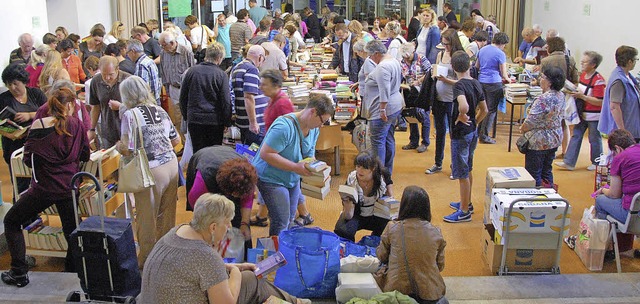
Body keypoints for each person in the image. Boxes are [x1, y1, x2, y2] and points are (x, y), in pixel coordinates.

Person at [140, 193, 309, 304]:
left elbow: (193, 270)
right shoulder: (205, 255)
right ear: (213, 227)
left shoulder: (175, 232)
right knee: (250, 279)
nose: (229, 228)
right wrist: (236, 273)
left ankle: (295, 302)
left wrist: (234, 266)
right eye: (227, 223)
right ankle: (296, 302)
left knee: (248, 276)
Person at [1, 87, 90, 287]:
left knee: (12, 221)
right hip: (69, 186)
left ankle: (18, 272)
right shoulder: (77, 125)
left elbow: (27, 158)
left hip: (43, 188)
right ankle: (73, 273)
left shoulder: (39, 124)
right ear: (70, 105)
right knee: (72, 231)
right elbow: (85, 154)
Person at [116, 76, 180, 267]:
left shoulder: (130, 115)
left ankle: (147, 262)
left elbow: (128, 148)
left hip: (150, 170)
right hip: (171, 165)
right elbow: (176, 140)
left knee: (147, 219)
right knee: (167, 216)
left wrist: (119, 146)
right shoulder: (160, 110)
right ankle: (166, 255)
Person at [252, 94, 334, 237]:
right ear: (313, 112)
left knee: (289, 218)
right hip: (270, 178)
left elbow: (309, 155)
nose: (322, 125)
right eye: (322, 121)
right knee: (281, 220)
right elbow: (266, 154)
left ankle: (284, 251)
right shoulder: (284, 127)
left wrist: (319, 167)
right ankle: (275, 255)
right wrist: (295, 167)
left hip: (291, 177)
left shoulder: (313, 129)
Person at [376, 186, 446, 304]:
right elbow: (440, 265)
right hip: (430, 294)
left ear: (403, 206)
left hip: (396, 292)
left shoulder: (392, 227)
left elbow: (381, 256)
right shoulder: (436, 232)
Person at [444, 51, 488, 223]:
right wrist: (474, 122)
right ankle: (466, 202)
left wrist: (461, 116)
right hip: (472, 132)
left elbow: (463, 105)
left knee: (461, 173)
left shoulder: (459, 86)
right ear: (469, 65)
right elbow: (484, 109)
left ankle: (464, 211)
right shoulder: (476, 83)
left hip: (461, 134)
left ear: (453, 68)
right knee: (468, 167)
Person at [0, 63, 48, 199]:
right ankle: (22, 216)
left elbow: (49, 112)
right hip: (13, 145)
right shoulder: (3, 99)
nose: (12, 88)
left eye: (15, 84)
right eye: (9, 85)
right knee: (20, 183)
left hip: (37, 144)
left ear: (23, 81)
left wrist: (30, 115)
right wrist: (8, 133)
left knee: (38, 181)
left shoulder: (35, 94)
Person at [555, 51, 605, 171]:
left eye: (585, 62)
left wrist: (582, 96)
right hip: (581, 112)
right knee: (576, 135)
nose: (581, 64)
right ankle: (569, 162)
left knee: (594, 138)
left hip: (594, 116)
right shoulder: (583, 75)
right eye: (581, 62)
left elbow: (600, 101)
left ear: (593, 64)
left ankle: (597, 162)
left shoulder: (598, 80)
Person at [180, 43, 232, 153]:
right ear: (219, 58)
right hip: (214, 121)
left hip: (194, 119)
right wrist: (227, 121)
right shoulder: (221, 75)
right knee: (213, 153)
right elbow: (226, 101)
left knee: (198, 152)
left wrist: (186, 116)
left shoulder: (191, 71)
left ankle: (198, 170)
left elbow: (183, 97)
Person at [425, 29, 463, 175]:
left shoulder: (459, 56)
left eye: (447, 44)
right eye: (444, 43)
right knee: (440, 132)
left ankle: (455, 166)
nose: (445, 46)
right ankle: (438, 162)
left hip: (453, 100)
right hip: (439, 99)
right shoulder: (440, 54)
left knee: (454, 134)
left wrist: (446, 80)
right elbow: (434, 70)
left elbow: (462, 81)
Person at [520, 66, 566, 187]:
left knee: (533, 174)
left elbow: (531, 121)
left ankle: (535, 201)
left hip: (539, 141)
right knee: (547, 171)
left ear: (550, 82)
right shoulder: (561, 95)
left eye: (543, 77)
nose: (540, 79)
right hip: (554, 138)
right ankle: (549, 195)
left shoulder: (543, 99)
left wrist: (522, 129)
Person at [364, 40, 403, 175]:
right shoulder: (393, 60)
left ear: (376, 53)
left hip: (384, 109)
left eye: (370, 55)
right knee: (388, 138)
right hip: (395, 105)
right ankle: (387, 172)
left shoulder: (383, 67)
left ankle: (378, 175)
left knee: (377, 143)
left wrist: (382, 109)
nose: (369, 58)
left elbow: (384, 89)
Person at [335, 151, 394, 241]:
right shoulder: (352, 179)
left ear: (373, 168)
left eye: (364, 168)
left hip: (377, 213)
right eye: (358, 166)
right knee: (342, 230)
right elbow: (348, 214)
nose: (360, 171)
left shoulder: (383, 175)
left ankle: (376, 241)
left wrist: (389, 195)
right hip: (357, 214)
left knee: (391, 228)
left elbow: (390, 195)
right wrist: (347, 204)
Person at [593, 129, 640, 223]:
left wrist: (602, 190)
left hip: (633, 215)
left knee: (600, 200)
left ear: (617, 148)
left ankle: (604, 235)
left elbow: (614, 194)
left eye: (613, 153)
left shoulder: (620, 158)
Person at [599, 46, 640, 142]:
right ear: (629, 61)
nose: (635, 62)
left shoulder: (627, 76)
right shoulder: (618, 80)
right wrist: (622, 131)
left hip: (632, 127)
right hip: (625, 131)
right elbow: (614, 106)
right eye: (635, 59)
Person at [89, 56, 131, 149]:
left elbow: (139, 106)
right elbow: (96, 107)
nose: (107, 78)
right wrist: (92, 128)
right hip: (108, 131)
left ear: (117, 69)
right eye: (104, 74)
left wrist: (121, 106)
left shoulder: (128, 80)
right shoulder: (96, 81)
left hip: (128, 130)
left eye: (111, 74)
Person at [476, 32, 511, 144]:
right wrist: (509, 80)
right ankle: (484, 135)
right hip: (494, 83)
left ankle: (478, 132)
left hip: (481, 81)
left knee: (482, 108)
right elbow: (504, 74)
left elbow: (477, 66)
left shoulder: (483, 49)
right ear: (503, 43)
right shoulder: (500, 54)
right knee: (491, 111)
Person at [231, 45, 269, 146]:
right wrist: (253, 122)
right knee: (256, 156)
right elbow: (249, 96)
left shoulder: (237, 67)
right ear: (260, 57)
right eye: (263, 59)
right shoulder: (251, 69)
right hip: (253, 124)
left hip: (243, 121)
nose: (262, 62)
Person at [158, 30, 195, 133]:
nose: (162, 48)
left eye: (164, 45)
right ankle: (182, 145)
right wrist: (167, 90)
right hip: (173, 88)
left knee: (188, 117)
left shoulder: (186, 51)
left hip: (185, 88)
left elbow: (192, 71)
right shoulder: (163, 53)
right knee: (178, 118)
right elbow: (163, 73)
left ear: (172, 43)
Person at [400, 42, 432, 153]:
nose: (406, 59)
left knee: (424, 116)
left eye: (408, 56)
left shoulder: (421, 59)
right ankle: (413, 141)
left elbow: (430, 73)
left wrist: (418, 81)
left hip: (422, 91)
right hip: (409, 91)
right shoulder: (402, 61)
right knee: (411, 115)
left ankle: (425, 142)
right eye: (404, 57)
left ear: (413, 52)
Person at [126, 39, 161, 105]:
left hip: (148, 102)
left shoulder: (141, 65)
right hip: (156, 99)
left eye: (127, 53)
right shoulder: (149, 60)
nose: (127, 56)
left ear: (133, 51)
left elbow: (142, 89)